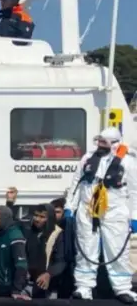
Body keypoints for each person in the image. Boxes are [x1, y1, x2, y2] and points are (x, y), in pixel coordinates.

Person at [65, 126, 137, 302]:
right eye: (99, 141)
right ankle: (84, 287)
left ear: (114, 143)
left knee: (117, 250)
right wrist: (70, 206)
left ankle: (122, 288)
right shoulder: (87, 159)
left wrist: (135, 216)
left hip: (115, 212)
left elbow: (135, 192)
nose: (100, 144)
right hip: (87, 211)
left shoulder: (128, 162)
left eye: (104, 142)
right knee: (86, 249)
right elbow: (76, 183)